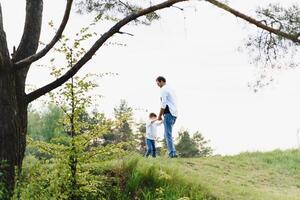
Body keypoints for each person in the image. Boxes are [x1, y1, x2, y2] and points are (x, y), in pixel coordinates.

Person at [156, 76, 178, 158]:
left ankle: (172, 153)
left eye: (157, 82)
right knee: (167, 134)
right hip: (174, 114)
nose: (157, 84)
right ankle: (173, 152)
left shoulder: (163, 90)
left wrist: (159, 116)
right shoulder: (171, 88)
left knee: (167, 134)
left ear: (161, 81)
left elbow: (163, 104)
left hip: (168, 114)